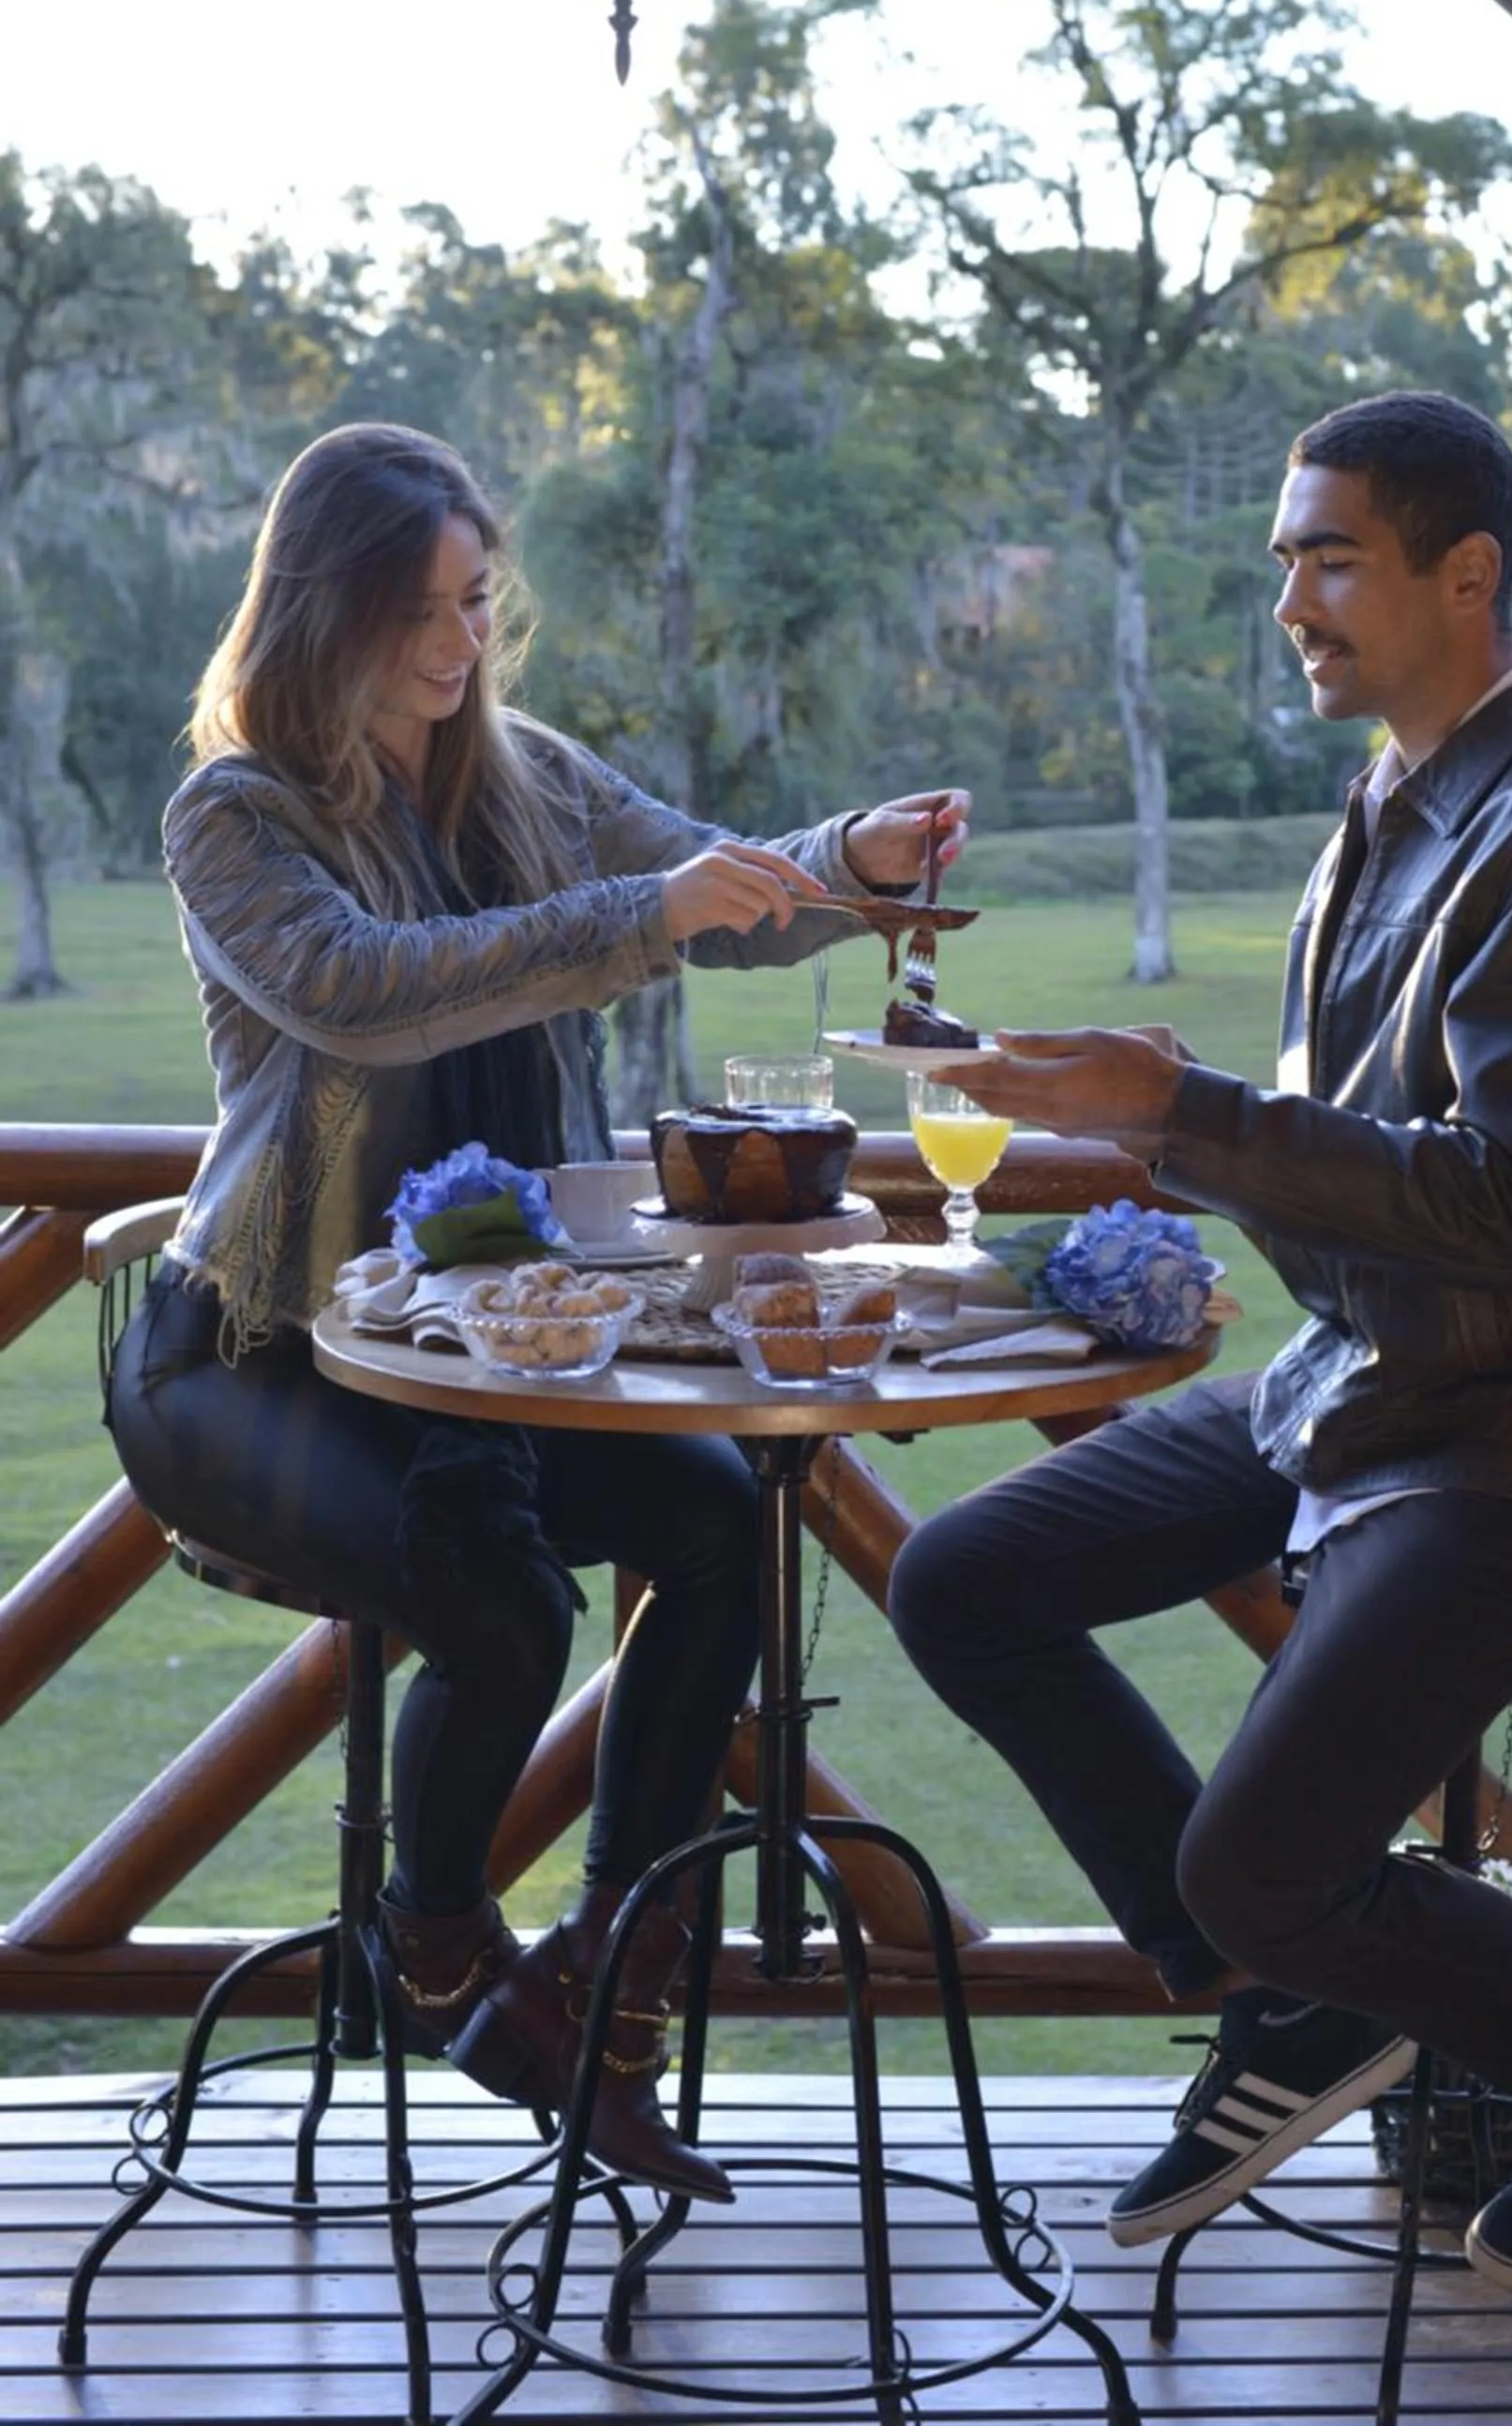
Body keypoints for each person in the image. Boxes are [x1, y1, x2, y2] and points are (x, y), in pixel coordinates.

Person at [887, 389, 1512, 2297]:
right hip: (1363, 1387)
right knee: (963, 1581)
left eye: (1329, 557)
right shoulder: (1393, 795)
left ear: (1468, 574)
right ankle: (1278, 1993)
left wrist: (1177, 1110)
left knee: (1261, 1857)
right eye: (1282, 554)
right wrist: (1142, 1111)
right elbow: (1370, 1167)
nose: (1287, 597)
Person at [109, 420, 967, 2205]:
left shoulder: (527, 774)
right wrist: (639, 917)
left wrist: (855, 862)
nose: (454, 648)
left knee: (719, 1520)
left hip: (491, 1354)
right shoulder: (237, 813)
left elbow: (716, 889)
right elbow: (366, 995)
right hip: (259, 1359)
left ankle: (609, 1971)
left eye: (474, 606)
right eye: (416, 613)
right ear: (317, 614)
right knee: (497, 1605)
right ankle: (431, 1955)